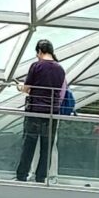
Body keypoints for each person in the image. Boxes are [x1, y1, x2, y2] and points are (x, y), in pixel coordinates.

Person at [15, 39, 67, 183]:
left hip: (35, 111)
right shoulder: (60, 69)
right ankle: (41, 177)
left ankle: (22, 176)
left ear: (39, 51)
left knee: (29, 144)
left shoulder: (36, 66)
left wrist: (20, 87)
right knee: (47, 146)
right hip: (52, 113)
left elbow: (26, 88)